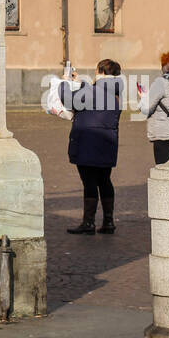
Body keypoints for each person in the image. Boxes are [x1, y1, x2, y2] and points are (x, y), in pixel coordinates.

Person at [64, 59, 123, 235]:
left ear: (101, 72)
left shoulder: (94, 90)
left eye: (97, 70)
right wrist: (82, 84)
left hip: (89, 142)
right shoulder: (115, 91)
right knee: (105, 181)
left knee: (89, 182)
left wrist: (65, 82)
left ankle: (88, 223)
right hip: (107, 142)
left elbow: (69, 101)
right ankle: (108, 221)